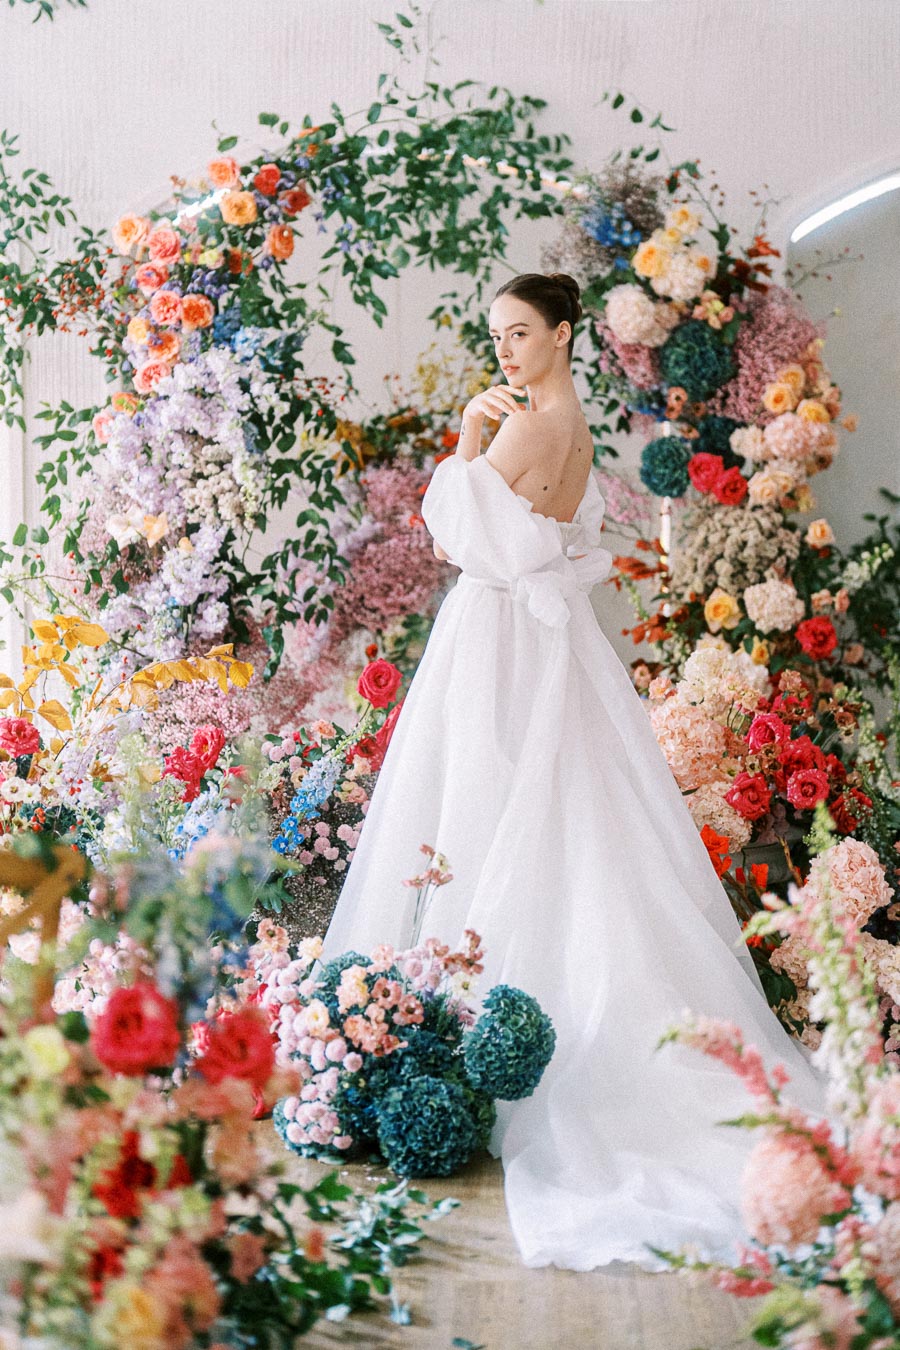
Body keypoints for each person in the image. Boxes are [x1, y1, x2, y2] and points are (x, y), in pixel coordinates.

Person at [321, 272, 834, 1273]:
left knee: (485, 801)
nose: (505, 350)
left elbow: (453, 532)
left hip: (499, 636)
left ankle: (475, 1012)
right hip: (535, 635)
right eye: (497, 335)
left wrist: (467, 437)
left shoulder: (527, 425)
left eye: (520, 332)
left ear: (561, 333)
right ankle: (479, 1006)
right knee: (557, 812)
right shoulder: (575, 425)